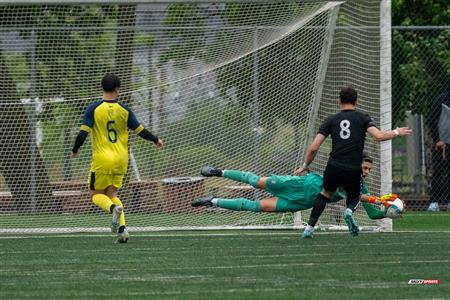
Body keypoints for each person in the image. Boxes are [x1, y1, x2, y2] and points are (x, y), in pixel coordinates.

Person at [294, 87, 411, 238]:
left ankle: (309, 229)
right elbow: (378, 136)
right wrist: (396, 132)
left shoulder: (331, 120)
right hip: (353, 167)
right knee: (354, 195)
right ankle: (349, 211)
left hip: (333, 165)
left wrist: (305, 165)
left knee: (324, 194)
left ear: (339, 101)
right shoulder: (363, 118)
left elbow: (314, 147)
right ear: (356, 101)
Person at [70, 73, 164, 243]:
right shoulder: (125, 110)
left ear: (102, 87)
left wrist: (75, 150)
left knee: (95, 194)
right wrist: (155, 139)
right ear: (118, 89)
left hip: (102, 160)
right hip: (121, 160)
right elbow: (140, 130)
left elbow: (83, 133)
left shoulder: (94, 109)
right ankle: (122, 231)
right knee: (112, 192)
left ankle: (113, 208)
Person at [192, 155, 401, 224]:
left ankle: (211, 201)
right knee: (256, 182)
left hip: (302, 202)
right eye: (364, 167)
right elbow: (353, 193)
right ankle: (218, 171)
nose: (366, 171)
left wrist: (390, 211)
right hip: (299, 184)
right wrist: (378, 199)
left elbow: (372, 213)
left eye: (368, 169)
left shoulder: (361, 187)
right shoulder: (344, 170)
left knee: (257, 207)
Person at [427, 90, 450, 211]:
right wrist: (437, 140)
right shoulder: (441, 100)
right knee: (438, 171)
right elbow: (433, 120)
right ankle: (434, 202)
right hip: (442, 145)